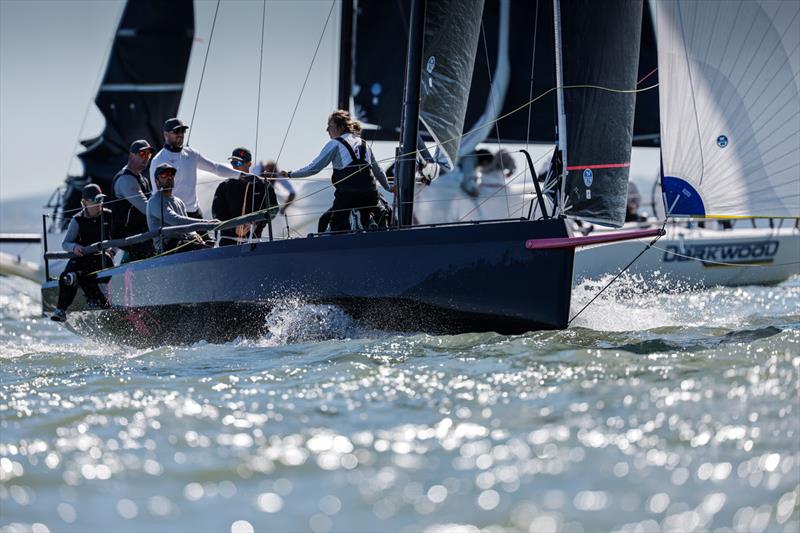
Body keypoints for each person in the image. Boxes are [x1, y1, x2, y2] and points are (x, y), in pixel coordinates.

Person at [281, 110, 393, 232]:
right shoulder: (364, 144)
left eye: (329, 126)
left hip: (348, 197)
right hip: (370, 195)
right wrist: (388, 188)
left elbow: (314, 168)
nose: (327, 130)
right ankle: (367, 222)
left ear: (339, 127)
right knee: (368, 215)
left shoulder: (335, 144)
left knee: (324, 221)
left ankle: (333, 242)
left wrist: (290, 174)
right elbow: (378, 171)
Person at [149, 118, 240, 219]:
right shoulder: (158, 160)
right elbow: (156, 193)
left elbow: (215, 168)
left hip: (195, 213)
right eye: (176, 131)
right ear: (166, 134)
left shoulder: (192, 154)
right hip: (175, 214)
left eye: (182, 131)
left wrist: (241, 175)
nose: (180, 134)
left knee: (206, 235)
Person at [50, 184, 114, 322]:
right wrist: (74, 247)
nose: (99, 204)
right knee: (66, 276)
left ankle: (101, 303)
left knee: (79, 276)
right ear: (85, 202)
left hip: (102, 258)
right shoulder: (77, 220)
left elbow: (118, 237)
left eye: (101, 200)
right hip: (82, 258)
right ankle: (61, 310)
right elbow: (65, 243)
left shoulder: (109, 215)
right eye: (95, 200)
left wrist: (112, 251)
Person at [146, 163, 220, 254]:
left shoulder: (179, 201)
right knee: (200, 250)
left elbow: (189, 228)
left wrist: (194, 235)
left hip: (184, 244)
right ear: (156, 181)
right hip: (167, 249)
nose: (169, 177)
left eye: (171, 174)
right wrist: (208, 223)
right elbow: (176, 221)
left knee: (210, 247)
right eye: (164, 175)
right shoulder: (154, 201)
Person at [211, 148, 278, 246]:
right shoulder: (224, 186)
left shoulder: (263, 185)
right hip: (227, 243)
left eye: (238, 163)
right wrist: (234, 227)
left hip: (254, 243)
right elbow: (216, 214)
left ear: (249, 164)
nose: (235, 167)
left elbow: (274, 209)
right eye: (233, 163)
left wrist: (255, 224)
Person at [109, 139, 155, 262]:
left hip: (140, 233)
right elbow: (147, 209)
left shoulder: (142, 179)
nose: (146, 158)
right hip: (126, 236)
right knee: (157, 244)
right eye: (142, 154)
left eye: (149, 154)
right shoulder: (126, 180)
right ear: (131, 155)